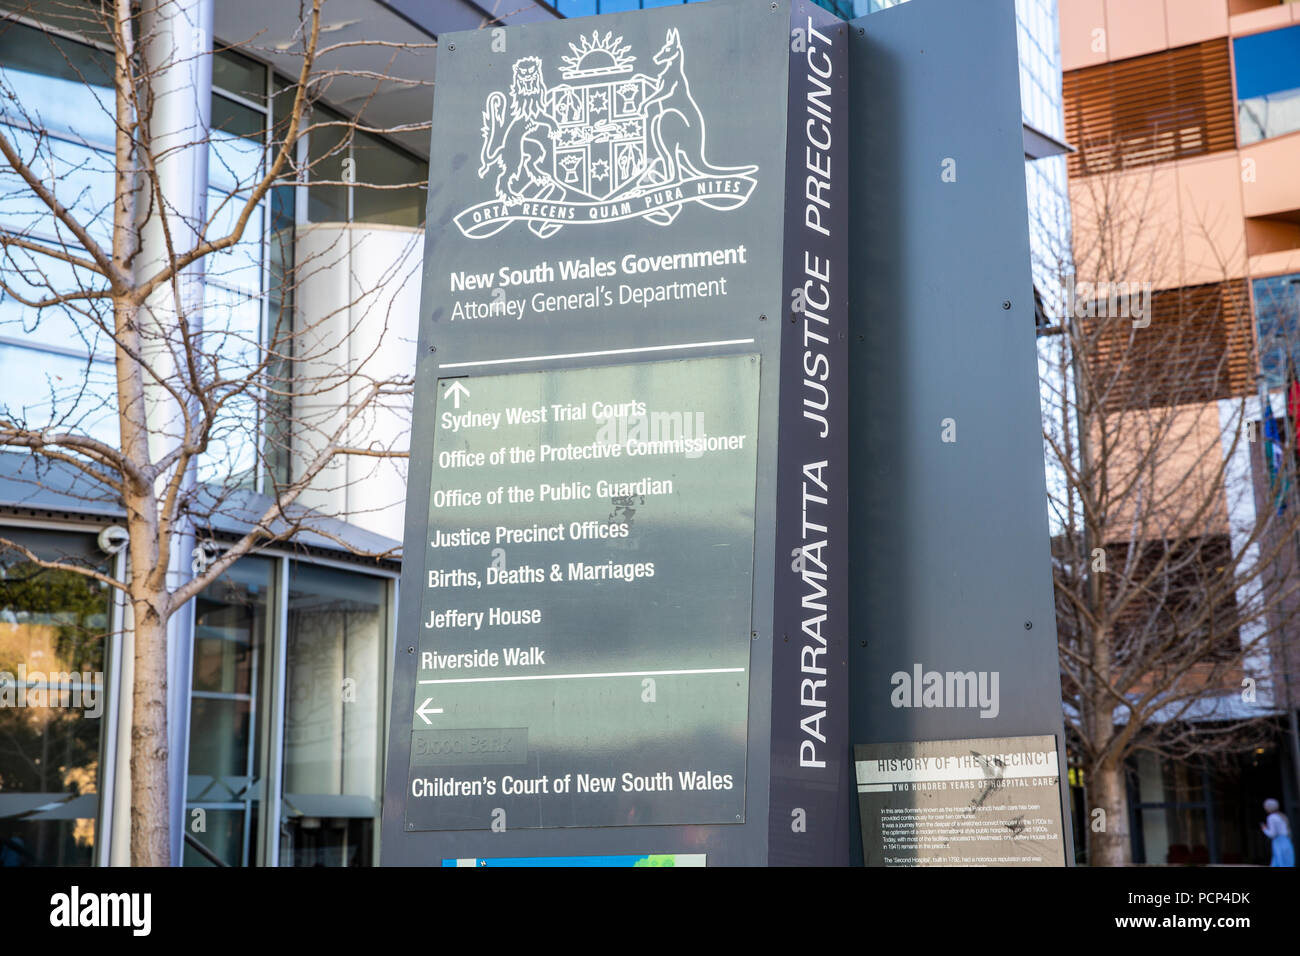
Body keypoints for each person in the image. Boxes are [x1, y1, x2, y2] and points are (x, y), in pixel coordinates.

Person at [1261, 798, 1295, 867]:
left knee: (1279, 861)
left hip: (1279, 842)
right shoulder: (1281, 816)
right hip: (1286, 841)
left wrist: (1264, 829)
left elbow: (1272, 834)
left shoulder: (1271, 817)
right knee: (1287, 861)